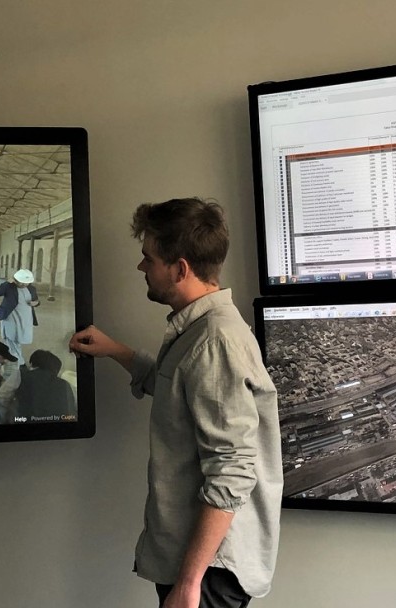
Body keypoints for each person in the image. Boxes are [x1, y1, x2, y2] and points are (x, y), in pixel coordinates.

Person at [69, 198, 282, 608]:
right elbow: (179, 393)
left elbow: (232, 469)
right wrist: (117, 350)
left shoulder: (215, 341)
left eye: (148, 258)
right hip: (199, 562)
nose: (140, 267)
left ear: (180, 268)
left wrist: (189, 583)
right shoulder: (199, 331)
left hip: (208, 568)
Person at [0, 349, 76, 424]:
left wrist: (8, 418)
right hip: (62, 429)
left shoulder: (21, 374)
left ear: (32, 364)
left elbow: (1, 397)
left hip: (26, 424)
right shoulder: (65, 384)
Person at [0, 268, 39, 366]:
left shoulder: (31, 288)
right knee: (11, 338)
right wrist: (6, 283)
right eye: (21, 282)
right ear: (15, 280)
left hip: (25, 318)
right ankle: (18, 361)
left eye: (26, 283)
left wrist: (35, 303)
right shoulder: (9, 287)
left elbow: (36, 300)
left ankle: (14, 358)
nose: (23, 285)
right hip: (11, 316)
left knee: (19, 338)